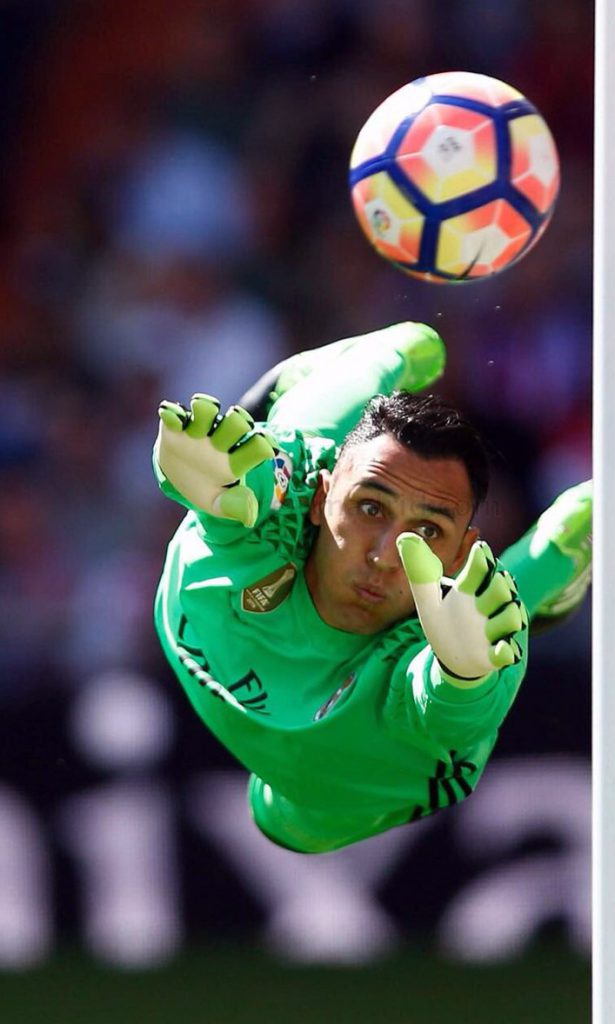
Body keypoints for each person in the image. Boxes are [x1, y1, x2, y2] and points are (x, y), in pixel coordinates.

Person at [153, 322, 591, 853]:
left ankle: (557, 552)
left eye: (427, 531)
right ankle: (384, 355)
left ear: (459, 555)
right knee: (276, 452)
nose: (384, 556)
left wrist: (463, 677)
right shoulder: (279, 508)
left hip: (348, 778)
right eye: (370, 508)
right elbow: (263, 480)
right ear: (322, 498)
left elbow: (441, 710)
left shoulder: (463, 638)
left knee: (485, 626)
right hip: (268, 511)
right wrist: (196, 477)